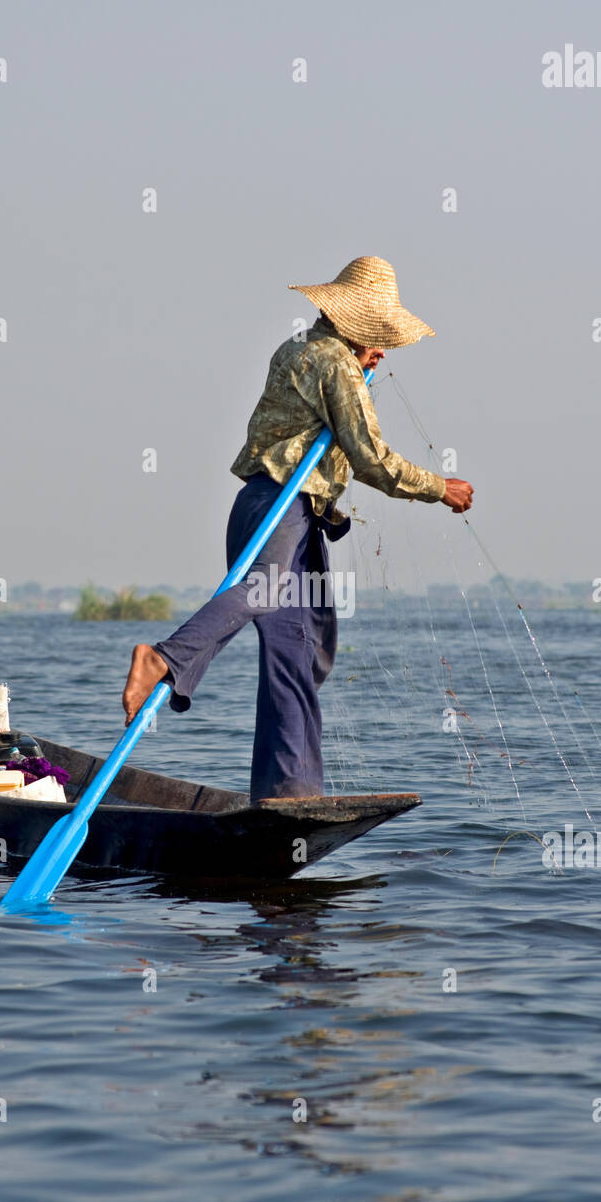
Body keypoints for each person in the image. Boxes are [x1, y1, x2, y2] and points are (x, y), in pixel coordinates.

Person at [122, 256, 474, 800]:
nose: (382, 350)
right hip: (277, 506)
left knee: (300, 652)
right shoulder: (336, 363)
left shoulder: (298, 350)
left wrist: (362, 362)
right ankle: (163, 658)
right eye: (378, 337)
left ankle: (288, 789)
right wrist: (438, 488)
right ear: (357, 327)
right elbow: (369, 456)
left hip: (289, 512)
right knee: (261, 594)